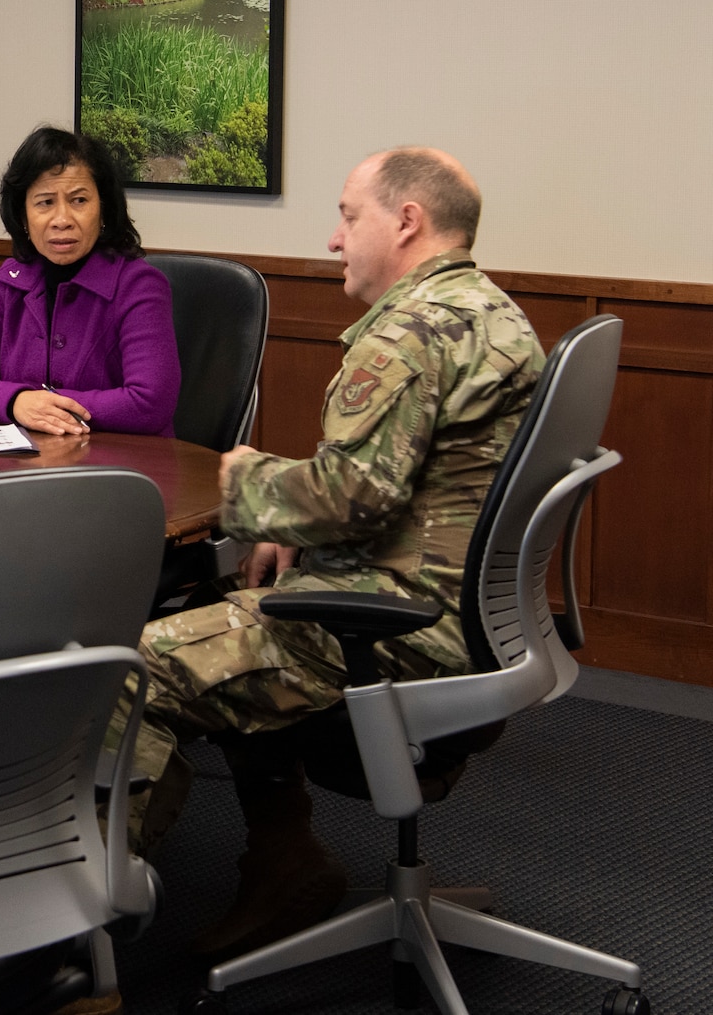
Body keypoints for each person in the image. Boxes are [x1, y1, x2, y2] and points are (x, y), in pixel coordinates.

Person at [121, 147, 543, 963]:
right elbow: (390, 490)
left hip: (403, 629)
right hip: (472, 619)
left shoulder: (407, 335)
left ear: (407, 220)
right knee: (230, 616)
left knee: (130, 669)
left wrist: (241, 481)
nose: (334, 239)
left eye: (349, 216)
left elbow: (354, 496)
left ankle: (84, 930)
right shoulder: (488, 310)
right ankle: (288, 866)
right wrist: (297, 519)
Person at [0, 127, 180, 436]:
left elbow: (149, 402)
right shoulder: (11, 281)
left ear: (103, 210)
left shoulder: (139, 286)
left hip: (119, 467)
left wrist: (47, 406)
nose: (62, 219)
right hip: (26, 464)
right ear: (23, 216)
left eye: (79, 200)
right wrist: (17, 402)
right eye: (45, 202)